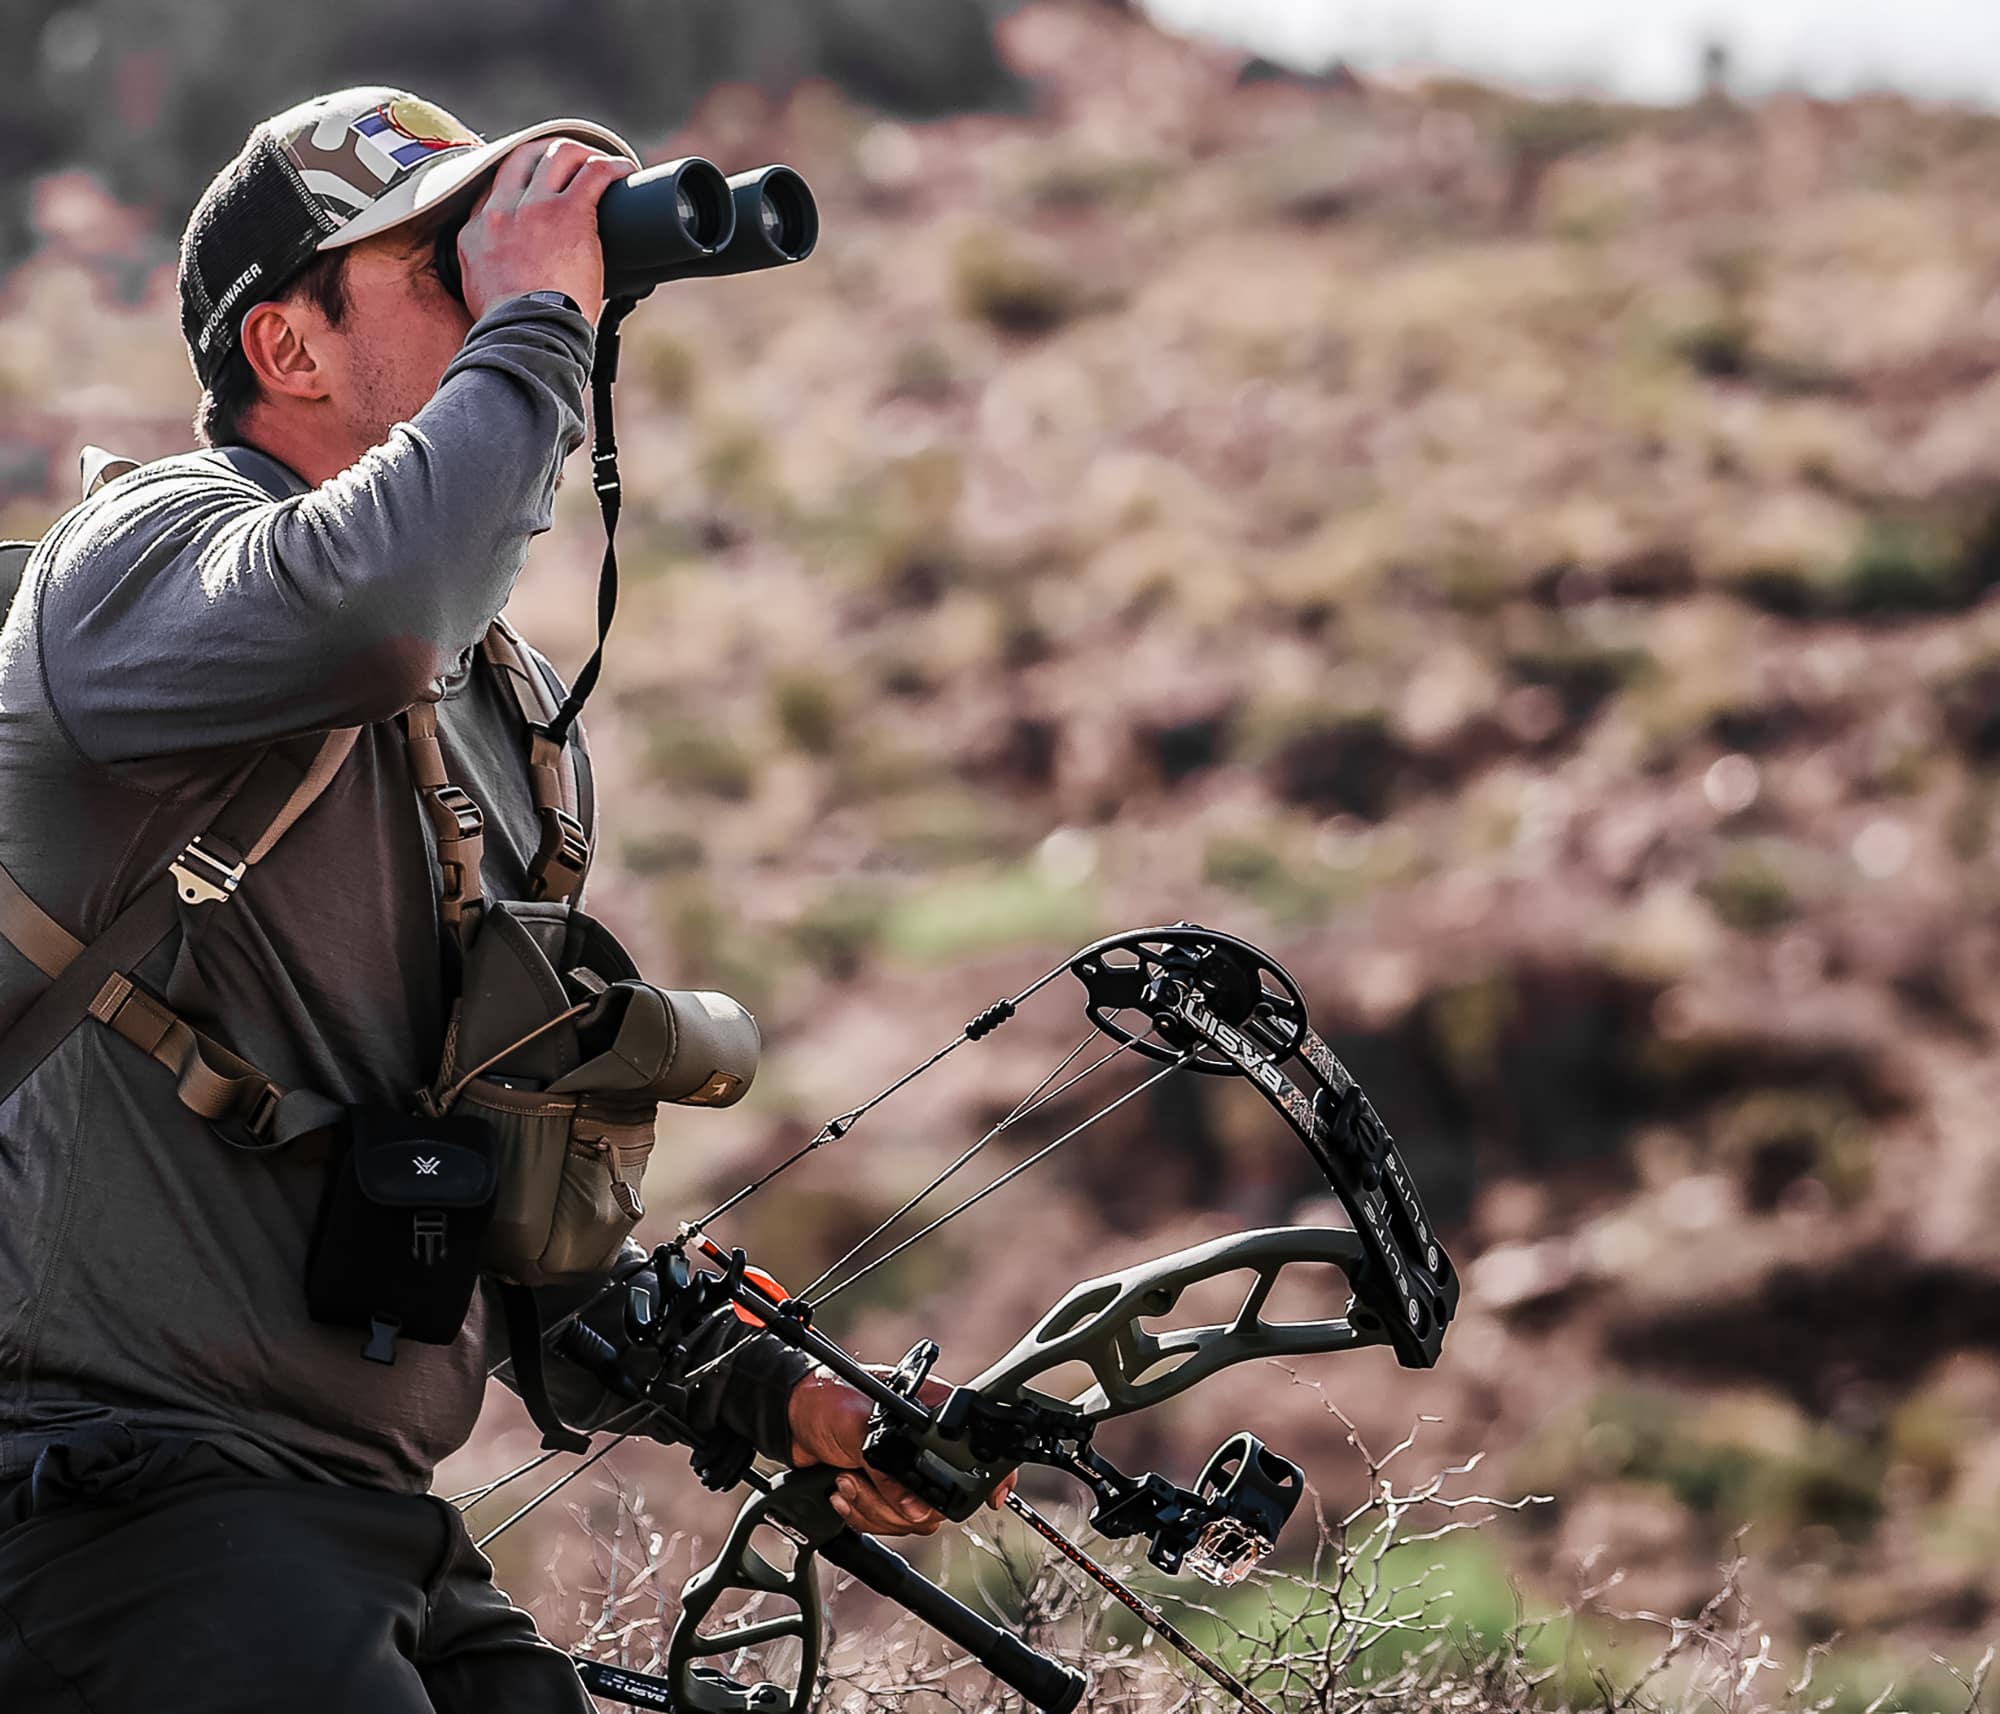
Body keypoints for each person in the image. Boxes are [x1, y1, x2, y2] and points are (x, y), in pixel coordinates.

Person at [0, 87, 960, 1714]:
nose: (517, 280)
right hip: (118, 1505)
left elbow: (491, 1182)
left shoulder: (488, 709)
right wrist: (535, 316)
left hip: (353, 1523)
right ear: (287, 351)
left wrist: (778, 1394)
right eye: (439, 262)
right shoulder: (139, 561)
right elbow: (380, 594)